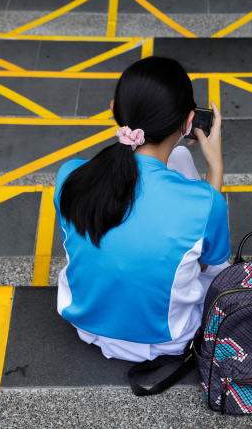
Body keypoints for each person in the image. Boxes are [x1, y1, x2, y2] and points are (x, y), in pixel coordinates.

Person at [54, 56, 229, 362]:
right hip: (164, 338)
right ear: (189, 122)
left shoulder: (70, 175)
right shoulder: (204, 201)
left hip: (86, 321)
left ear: (113, 110)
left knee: (179, 163)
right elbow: (209, 261)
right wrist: (215, 168)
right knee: (216, 261)